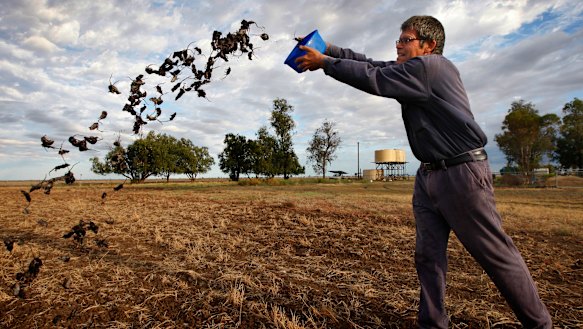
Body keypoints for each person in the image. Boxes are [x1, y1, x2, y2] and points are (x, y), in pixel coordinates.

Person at [295, 15, 552, 329]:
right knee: (428, 257)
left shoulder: (431, 68)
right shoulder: (411, 69)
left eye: (406, 39)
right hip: (428, 175)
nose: (398, 44)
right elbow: (371, 64)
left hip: (462, 174)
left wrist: (325, 62)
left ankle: (540, 325)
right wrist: (330, 48)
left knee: (496, 256)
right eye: (399, 39)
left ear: (429, 45)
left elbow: (372, 78)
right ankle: (433, 323)